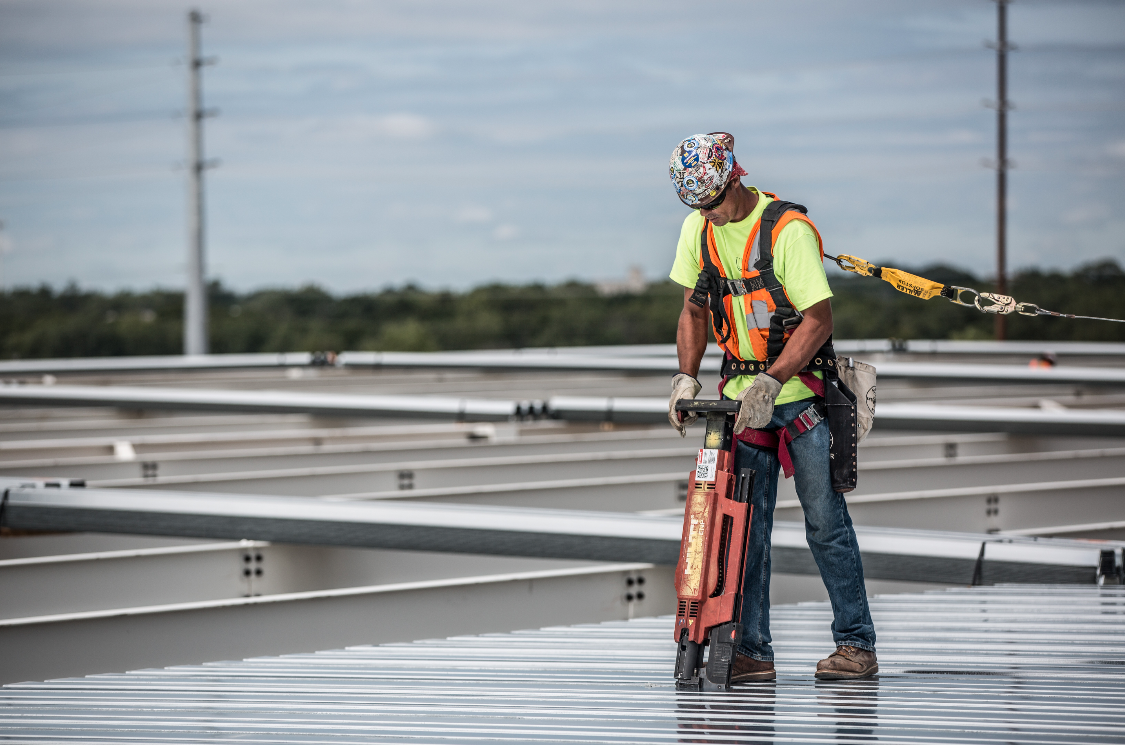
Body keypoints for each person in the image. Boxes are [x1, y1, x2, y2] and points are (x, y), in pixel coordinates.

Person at [665, 132, 877, 682]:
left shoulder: (787, 231)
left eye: (712, 202)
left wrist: (772, 381)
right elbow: (693, 310)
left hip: (801, 399)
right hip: (740, 406)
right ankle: (752, 651)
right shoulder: (700, 230)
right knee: (744, 531)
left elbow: (819, 319)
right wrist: (686, 377)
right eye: (698, 205)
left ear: (735, 177)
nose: (707, 214)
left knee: (826, 525)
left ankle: (856, 645)